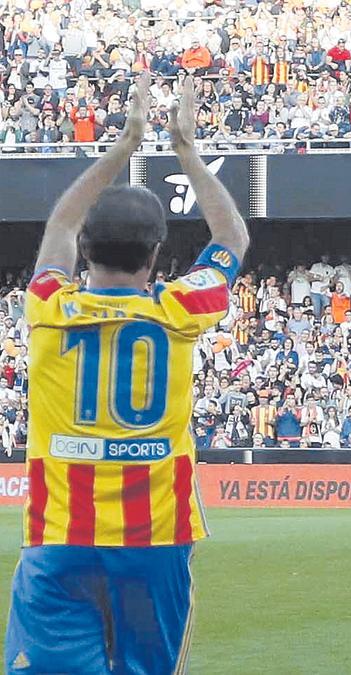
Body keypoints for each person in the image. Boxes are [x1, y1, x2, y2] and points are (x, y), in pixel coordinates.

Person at [4, 73, 249, 674]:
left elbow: (57, 227)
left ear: (85, 250)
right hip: (155, 540)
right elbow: (231, 236)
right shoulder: (180, 308)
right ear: (158, 255)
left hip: (61, 536)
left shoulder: (51, 308)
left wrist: (122, 147)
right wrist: (185, 150)